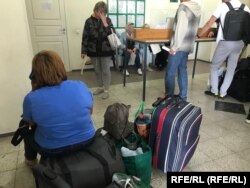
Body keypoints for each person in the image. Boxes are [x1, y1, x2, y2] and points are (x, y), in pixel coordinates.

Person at [23, 50, 95, 166]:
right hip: (88, 139)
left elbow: (30, 123)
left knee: (26, 133)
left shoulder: (31, 98)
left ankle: (30, 161)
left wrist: (34, 90)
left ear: (34, 75)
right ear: (61, 67)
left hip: (51, 149)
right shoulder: (80, 85)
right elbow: (90, 112)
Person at [198, 0, 250, 99]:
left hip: (225, 42)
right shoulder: (246, 7)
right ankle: (223, 93)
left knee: (214, 66)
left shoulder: (223, 6)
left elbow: (210, 23)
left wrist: (199, 34)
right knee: (231, 68)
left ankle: (214, 91)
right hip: (240, 43)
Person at [165, 0, 201, 101]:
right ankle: (183, 96)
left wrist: (174, 47)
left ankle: (169, 98)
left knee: (170, 73)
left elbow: (180, 29)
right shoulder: (196, 7)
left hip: (179, 46)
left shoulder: (183, 8)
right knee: (182, 70)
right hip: (187, 45)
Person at [81, 1, 114, 99]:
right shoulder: (88, 21)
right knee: (97, 70)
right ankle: (100, 87)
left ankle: (106, 90)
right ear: (95, 10)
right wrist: (83, 50)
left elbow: (111, 34)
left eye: (103, 12)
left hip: (106, 50)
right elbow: (85, 36)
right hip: (93, 50)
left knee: (105, 70)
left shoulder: (108, 20)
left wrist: (105, 23)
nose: (101, 14)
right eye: (99, 11)